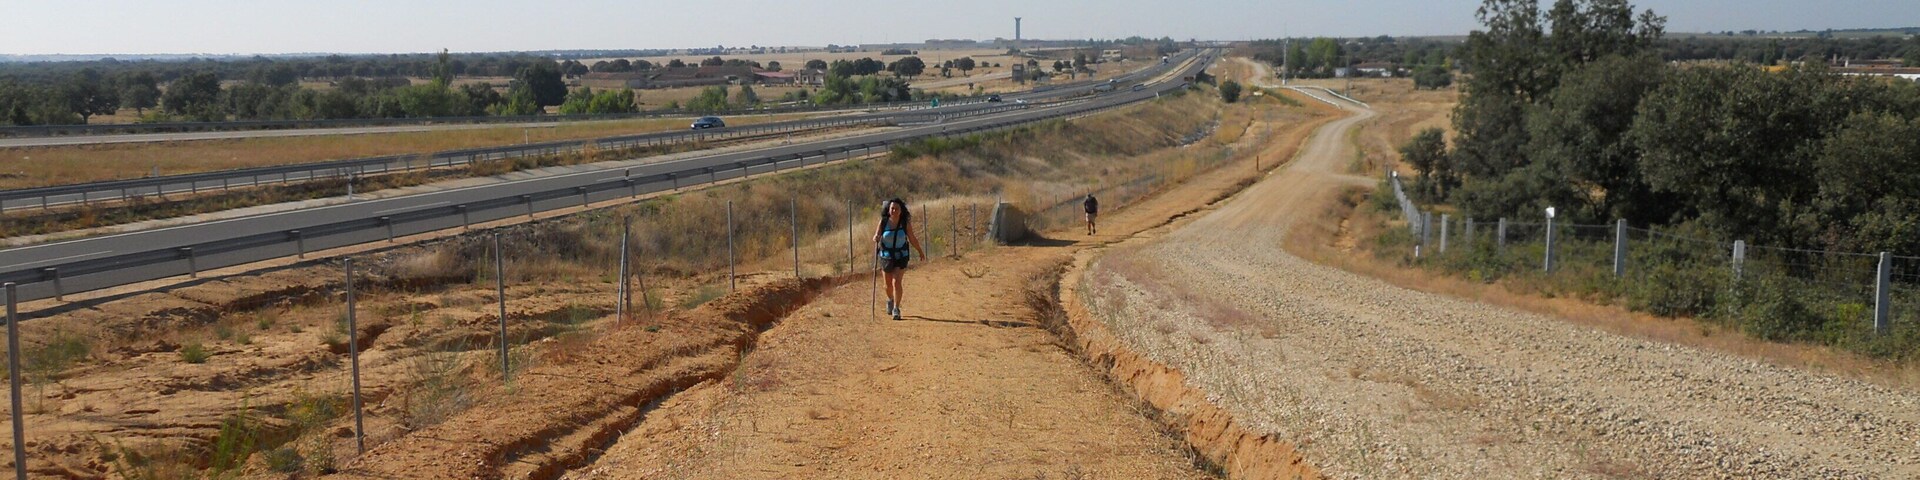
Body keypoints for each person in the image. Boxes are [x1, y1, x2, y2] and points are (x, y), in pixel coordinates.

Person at [873, 198, 927, 320]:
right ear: (888, 209)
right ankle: (890, 300)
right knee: (887, 285)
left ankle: (896, 308)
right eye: (892, 208)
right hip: (886, 256)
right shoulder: (883, 222)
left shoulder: (905, 223)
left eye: (897, 208)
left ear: (901, 210)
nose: (894, 210)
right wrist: (876, 237)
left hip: (901, 256)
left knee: (896, 282)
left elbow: (912, 238)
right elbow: (877, 235)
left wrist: (920, 251)